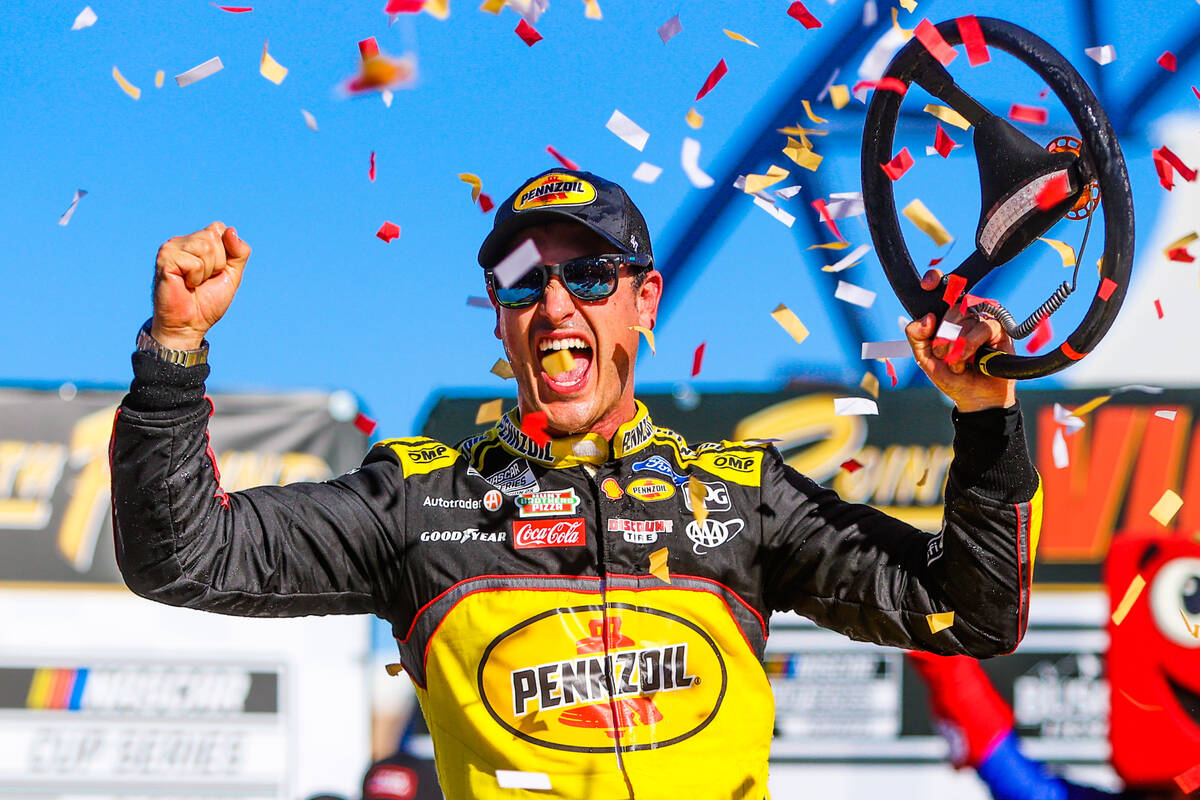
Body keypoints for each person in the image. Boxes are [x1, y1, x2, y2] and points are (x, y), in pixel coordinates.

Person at [111, 168, 1043, 799]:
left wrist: (985, 415)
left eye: (589, 274)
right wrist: (174, 352)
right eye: (521, 279)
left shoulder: (742, 497)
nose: (554, 303)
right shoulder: (421, 503)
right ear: (500, 321)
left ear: (645, 300)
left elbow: (973, 612)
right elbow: (182, 558)